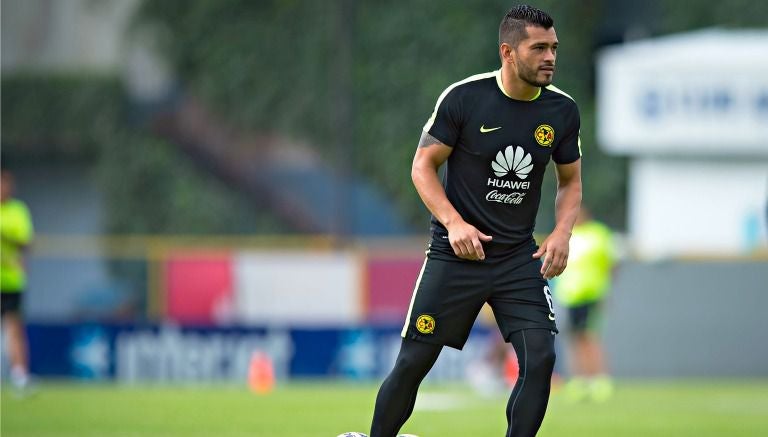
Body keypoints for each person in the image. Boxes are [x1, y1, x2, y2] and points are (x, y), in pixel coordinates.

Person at [369, 5, 582, 437]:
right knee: (413, 362)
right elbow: (422, 167)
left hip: (519, 259)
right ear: (508, 51)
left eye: (554, 48)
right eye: (538, 47)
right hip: (456, 255)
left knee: (540, 357)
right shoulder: (465, 98)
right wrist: (453, 223)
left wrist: (561, 232)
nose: (550, 58)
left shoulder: (562, 111)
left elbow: (571, 181)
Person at [553, 206, 616, 402]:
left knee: (590, 337)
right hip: (570, 297)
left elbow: (610, 265)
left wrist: (605, 292)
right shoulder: (567, 235)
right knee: (574, 338)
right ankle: (580, 380)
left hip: (591, 295)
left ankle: (599, 379)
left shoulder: (599, 234)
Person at [1, 169, 35, 393]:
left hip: (11, 281)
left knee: (14, 328)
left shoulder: (17, 211)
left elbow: (26, 243)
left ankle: (19, 375)